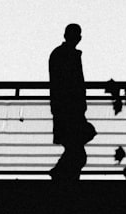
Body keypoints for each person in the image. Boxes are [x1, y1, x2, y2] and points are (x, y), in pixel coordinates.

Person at [48, 24, 94, 180]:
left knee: (75, 150)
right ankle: (62, 175)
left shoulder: (59, 54)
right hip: (69, 109)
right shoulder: (66, 55)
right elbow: (72, 83)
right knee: (77, 151)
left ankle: (61, 173)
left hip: (66, 108)